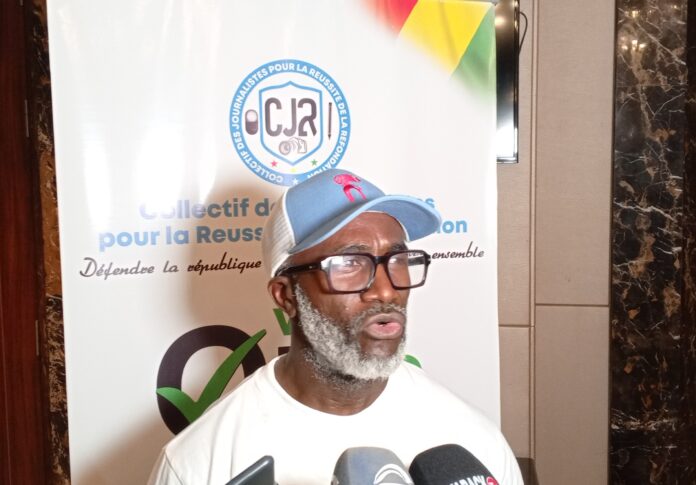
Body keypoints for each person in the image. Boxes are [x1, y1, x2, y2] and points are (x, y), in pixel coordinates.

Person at [148, 169, 523, 485]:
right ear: (286, 296)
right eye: (348, 264)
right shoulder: (197, 464)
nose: (386, 290)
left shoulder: (474, 446)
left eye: (397, 260)